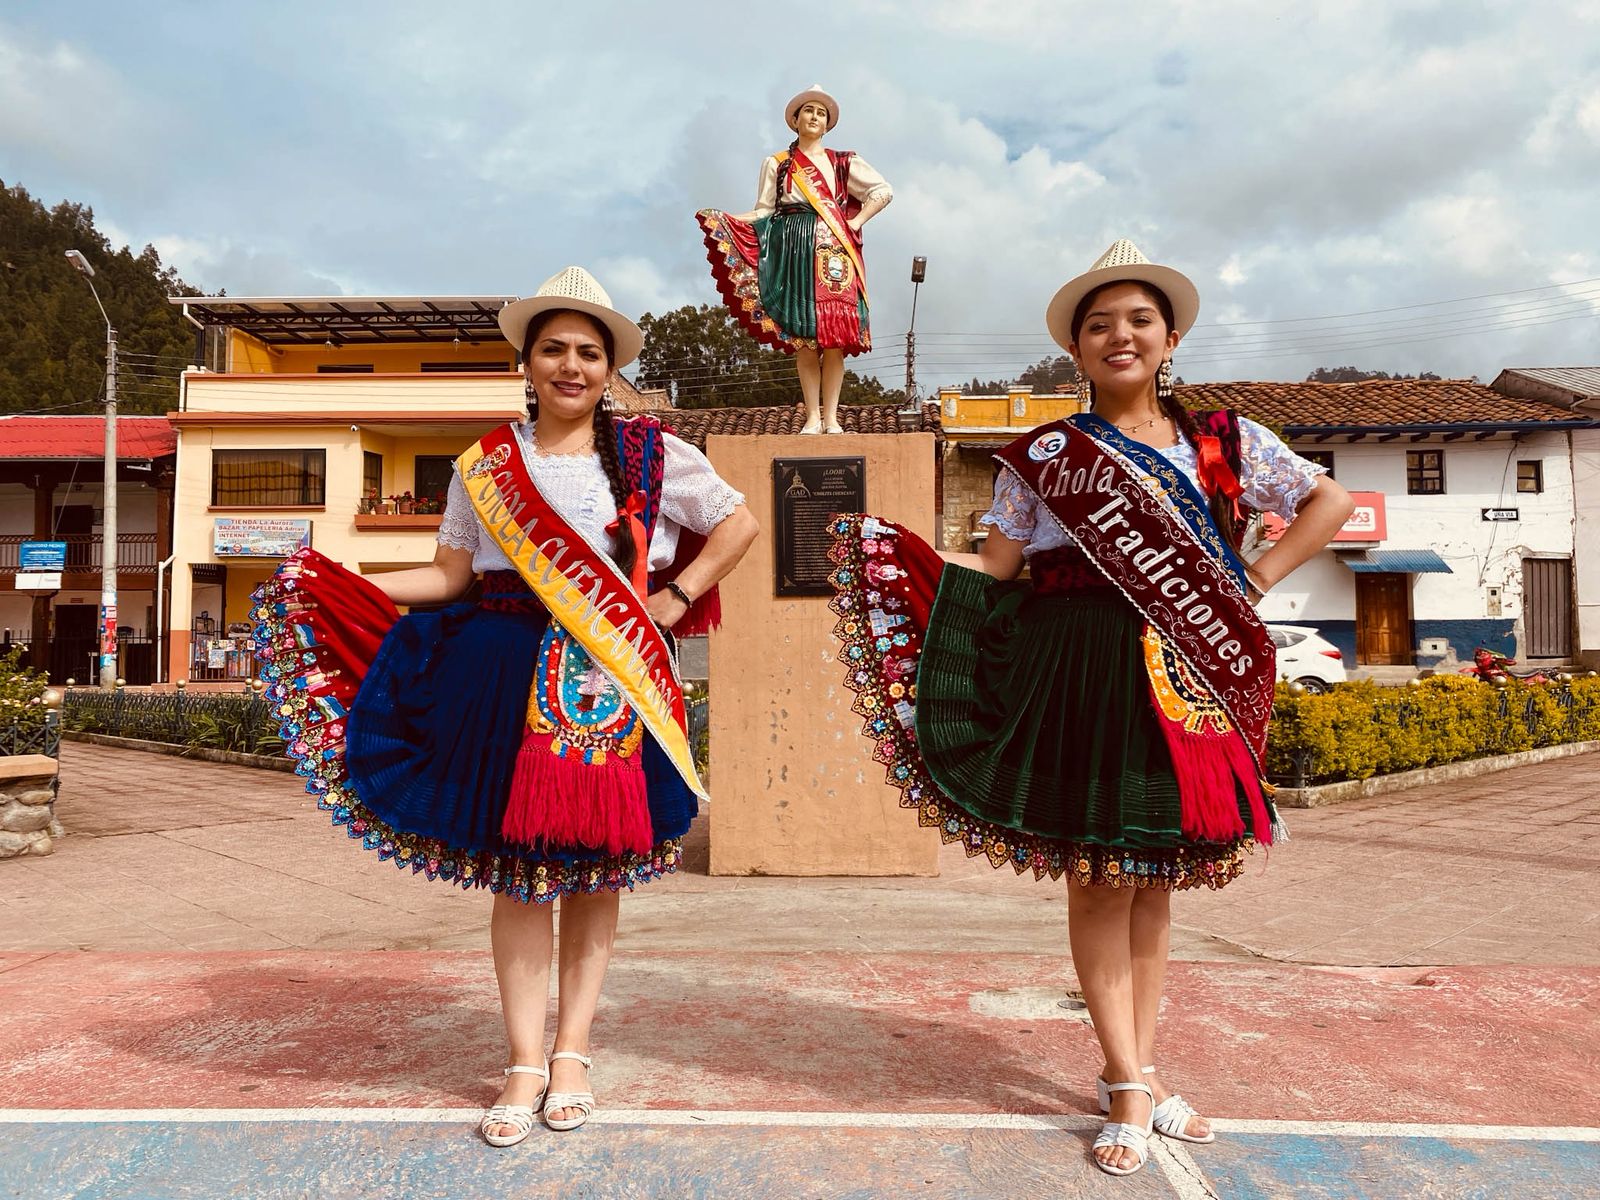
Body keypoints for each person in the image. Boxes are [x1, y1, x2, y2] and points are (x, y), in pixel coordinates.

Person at [825, 241, 1353, 1177]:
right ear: (1077, 348)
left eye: (1138, 320)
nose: (1120, 335)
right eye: (1100, 324)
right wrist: (894, 563)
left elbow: (1328, 500)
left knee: (1153, 884)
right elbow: (995, 571)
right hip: (1076, 669)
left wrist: (1252, 577)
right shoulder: (1040, 456)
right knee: (1101, 878)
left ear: (1171, 337)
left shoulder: (1223, 439)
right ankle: (1127, 1079)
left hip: (1186, 673)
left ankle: (1138, 1070)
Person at [252, 266, 758, 1147]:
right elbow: (451, 578)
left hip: (605, 676)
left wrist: (674, 604)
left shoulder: (649, 453)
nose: (572, 365)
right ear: (526, 363)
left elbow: (738, 524)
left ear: (608, 369)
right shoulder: (484, 464)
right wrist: (350, 584)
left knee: (595, 875)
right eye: (554, 349)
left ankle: (573, 1054)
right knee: (520, 873)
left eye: (589, 353)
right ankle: (524, 1061)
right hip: (496, 675)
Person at [697, 84, 893, 433]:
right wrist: (725, 219)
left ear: (828, 123)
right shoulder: (778, 163)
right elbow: (763, 211)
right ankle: (813, 418)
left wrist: (855, 222)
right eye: (809, 111)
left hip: (834, 250)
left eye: (821, 112)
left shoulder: (843, 162)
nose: (814, 117)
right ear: (796, 119)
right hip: (794, 249)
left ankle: (831, 418)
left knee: (834, 340)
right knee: (805, 338)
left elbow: (882, 191)